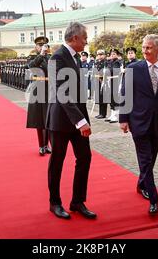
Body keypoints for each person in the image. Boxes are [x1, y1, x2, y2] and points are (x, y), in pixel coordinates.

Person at [119, 34, 158, 215]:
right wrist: (123, 119)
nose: (144, 51)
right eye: (143, 47)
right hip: (137, 121)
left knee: (151, 158)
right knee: (145, 159)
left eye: (149, 48)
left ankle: (141, 183)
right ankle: (153, 198)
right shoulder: (133, 68)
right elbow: (125, 95)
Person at [46, 22, 96, 220]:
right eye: (84, 37)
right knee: (57, 160)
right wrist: (80, 121)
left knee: (85, 158)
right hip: (60, 120)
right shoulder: (57, 58)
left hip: (78, 118)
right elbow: (62, 92)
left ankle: (77, 201)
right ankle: (54, 202)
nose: (86, 41)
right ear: (74, 38)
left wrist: (82, 119)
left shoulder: (76, 58)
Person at [26, 36, 52, 156]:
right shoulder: (33, 57)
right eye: (39, 45)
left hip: (48, 90)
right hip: (37, 90)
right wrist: (41, 54)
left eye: (44, 45)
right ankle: (41, 145)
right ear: (36, 46)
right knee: (39, 120)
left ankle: (47, 145)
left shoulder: (50, 58)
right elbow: (32, 67)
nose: (42, 47)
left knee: (48, 119)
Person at [105, 48, 123, 123]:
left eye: (114, 54)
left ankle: (115, 116)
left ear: (117, 55)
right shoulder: (110, 62)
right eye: (111, 54)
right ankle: (112, 114)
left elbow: (115, 71)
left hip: (115, 81)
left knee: (115, 98)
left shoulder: (118, 62)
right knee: (110, 98)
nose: (112, 55)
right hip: (110, 81)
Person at [93, 49, 108, 119]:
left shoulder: (106, 63)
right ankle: (100, 113)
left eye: (101, 54)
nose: (99, 56)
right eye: (98, 54)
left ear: (104, 55)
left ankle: (103, 113)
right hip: (97, 81)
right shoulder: (96, 62)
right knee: (99, 97)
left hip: (103, 81)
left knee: (103, 97)